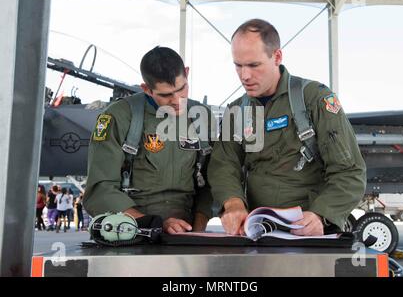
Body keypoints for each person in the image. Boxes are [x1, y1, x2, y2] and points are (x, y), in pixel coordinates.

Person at [208, 19, 366, 236]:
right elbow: (223, 165)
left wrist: (321, 214)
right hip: (258, 233)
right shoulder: (236, 111)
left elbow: (350, 172)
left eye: (254, 65)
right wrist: (233, 203)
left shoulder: (315, 99)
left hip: (311, 232)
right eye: (238, 65)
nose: (244, 76)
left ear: (277, 57)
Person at [84, 46, 215, 234]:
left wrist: (197, 232)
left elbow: (211, 184)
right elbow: (100, 189)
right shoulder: (120, 117)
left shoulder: (201, 117)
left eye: (182, 89)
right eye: (166, 95)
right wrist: (153, 224)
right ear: (146, 89)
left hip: (187, 232)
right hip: (132, 232)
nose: (177, 100)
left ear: (186, 73)